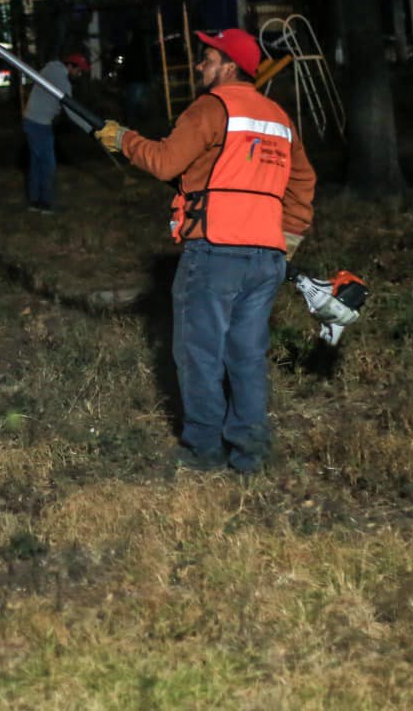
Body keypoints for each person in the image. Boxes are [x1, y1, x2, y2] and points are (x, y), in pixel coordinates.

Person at [94, 28, 315, 475]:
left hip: (216, 252)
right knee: (247, 356)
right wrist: (287, 240)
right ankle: (251, 452)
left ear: (229, 66)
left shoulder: (213, 108)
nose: (199, 66)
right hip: (265, 258)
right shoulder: (277, 117)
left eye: (207, 58)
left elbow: (163, 161)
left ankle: (203, 450)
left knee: (199, 354)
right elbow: (303, 181)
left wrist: (123, 140)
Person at [22, 52, 89, 213]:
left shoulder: (49, 69)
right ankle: (45, 203)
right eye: (79, 70)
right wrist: (90, 129)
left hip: (30, 121)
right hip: (40, 125)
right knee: (48, 164)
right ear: (71, 66)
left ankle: (34, 201)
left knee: (37, 163)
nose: (79, 75)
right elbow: (71, 111)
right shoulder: (63, 81)